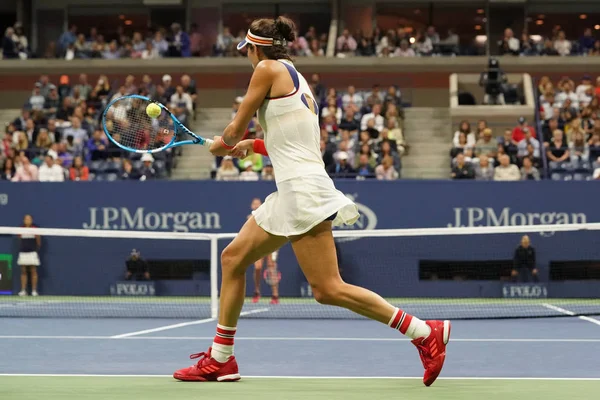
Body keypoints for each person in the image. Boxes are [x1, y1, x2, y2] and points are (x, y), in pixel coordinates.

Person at [173, 16, 450, 386]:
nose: (247, 58)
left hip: (302, 190)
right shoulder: (296, 79)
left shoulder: (266, 69)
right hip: (293, 188)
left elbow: (234, 127)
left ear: (256, 48)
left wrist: (220, 146)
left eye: (247, 51)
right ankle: (221, 359)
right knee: (234, 258)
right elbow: (291, 143)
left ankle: (422, 331)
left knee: (328, 289)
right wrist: (251, 146)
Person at [248, 198, 280, 304]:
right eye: (254, 204)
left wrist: (276, 247)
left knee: (271, 269)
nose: (256, 205)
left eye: (258, 204)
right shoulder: (249, 218)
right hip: (258, 246)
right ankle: (256, 291)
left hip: (270, 245)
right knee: (258, 267)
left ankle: (275, 295)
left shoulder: (268, 217)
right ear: (252, 206)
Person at [17, 214, 41, 296]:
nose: (28, 220)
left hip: (32, 253)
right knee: (23, 271)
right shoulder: (21, 229)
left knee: (33, 271)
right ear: (24, 220)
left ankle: (34, 291)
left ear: (32, 220)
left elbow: (38, 241)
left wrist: (34, 250)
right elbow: (20, 240)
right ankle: (23, 290)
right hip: (23, 253)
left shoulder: (35, 229)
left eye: (29, 219)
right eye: (26, 219)